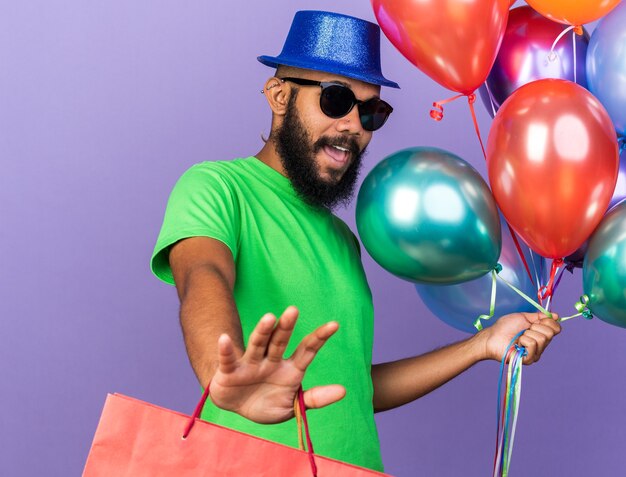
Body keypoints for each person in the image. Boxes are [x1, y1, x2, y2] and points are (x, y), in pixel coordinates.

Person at [150, 10, 561, 472]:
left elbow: (353, 387)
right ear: (279, 95)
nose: (354, 126)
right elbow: (203, 275)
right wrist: (220, 370)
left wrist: (482, 345)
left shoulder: (343, 239)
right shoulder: (218, 186)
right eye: (335, 100)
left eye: (371, 111)